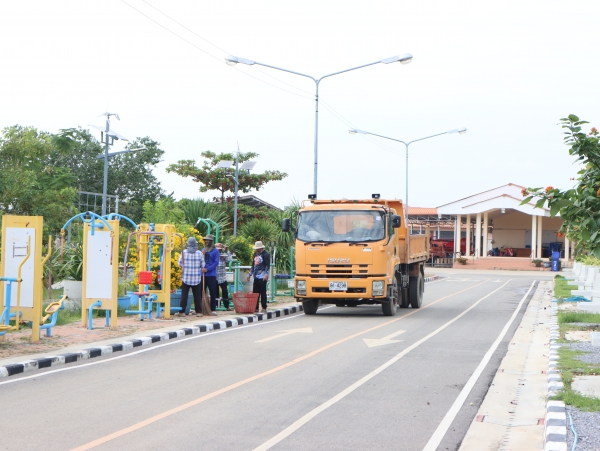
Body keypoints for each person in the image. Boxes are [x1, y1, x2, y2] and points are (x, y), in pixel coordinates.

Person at [177, 237, 205, 317]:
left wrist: (184, 266)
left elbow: (179, 263)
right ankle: (199, 312)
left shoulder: (183, 252)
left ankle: (182, 312)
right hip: (196, 278)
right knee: (197, 296)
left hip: (186, 277)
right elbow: (203, 265)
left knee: (184, 295)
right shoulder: (199, 253)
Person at [247, 241, 270, 313]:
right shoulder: (255, 254)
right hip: (256, 276)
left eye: (258, 248)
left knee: (263, 292)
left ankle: (264, 307)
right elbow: (253, 265)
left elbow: (267, 266)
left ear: (261, 248)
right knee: (255, 292)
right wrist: (250, 274)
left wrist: (266, 274)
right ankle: (256, 307)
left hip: (262, 276)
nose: (257, 250)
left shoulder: (266, 255)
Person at [202, 234, 220, 316]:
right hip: (203, 275)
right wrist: (202, 254)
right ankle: (200, 309)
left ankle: (213, 309)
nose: (206, 241)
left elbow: (216, 263)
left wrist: (208, 269)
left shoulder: (215, 251)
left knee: (213, 292)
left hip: (211, 275)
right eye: (205, 240)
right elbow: (199, 260)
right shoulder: (203, 250)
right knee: (201, 292)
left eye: (208, 240)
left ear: (211, 241)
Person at [215, 243, 233, 311]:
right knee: (215, 292)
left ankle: (227, 306)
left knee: (225, 291)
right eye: (217, 249)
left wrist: (227, 250)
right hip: (215, 276)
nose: (218, 251)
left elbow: (230, 259)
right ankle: (216, 306)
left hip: (222, 277)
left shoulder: (223, 255)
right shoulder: (213, 255)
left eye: (220, 249)